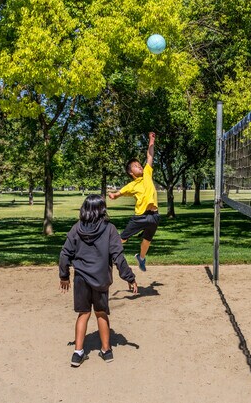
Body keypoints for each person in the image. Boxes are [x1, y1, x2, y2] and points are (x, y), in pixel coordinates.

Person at [59, 194, 138, 368]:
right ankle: (106, 350)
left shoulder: (76, 228)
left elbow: (65, 253)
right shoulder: (110, 229)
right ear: (102, 209)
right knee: (101, 313)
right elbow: (118, 256)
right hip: (101, 279)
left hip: (81, 279)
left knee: (83, 313)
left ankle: (78, 352)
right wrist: (129, 278)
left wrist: (64, 275)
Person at [108, 132, 160, 272]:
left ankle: (141, 258)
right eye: (136, 166)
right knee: (123, 239)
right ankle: (107, 253)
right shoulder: (132, 185)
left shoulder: (147, 173)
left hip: (154, 216)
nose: (140, 167)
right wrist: (114, 195)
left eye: (139, 165)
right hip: (140, 217)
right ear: (131, 172)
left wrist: (151, 141)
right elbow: (121, 192)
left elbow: (150, 156)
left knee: (147, 241)